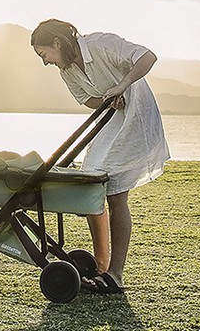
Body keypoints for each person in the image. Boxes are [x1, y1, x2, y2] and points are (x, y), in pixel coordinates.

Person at [31, 19, 170, 293]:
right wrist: (109, 99)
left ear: (57, 42)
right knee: (91, 189)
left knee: (116, 195)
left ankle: (115, 275)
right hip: (112, 119)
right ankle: (102, 265)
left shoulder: (101, 44)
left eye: (44, 54)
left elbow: (147, 57)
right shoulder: (67, 70)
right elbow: (87, 100)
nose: (45, 62)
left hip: (136, 118)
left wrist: (122, 85)